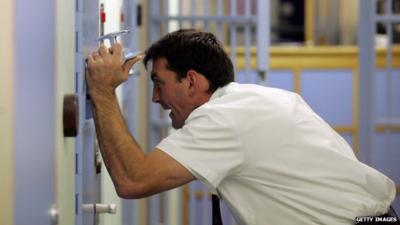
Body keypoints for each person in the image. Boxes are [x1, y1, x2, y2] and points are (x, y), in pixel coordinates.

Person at [86, 29, 397, 225]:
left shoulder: (224, 119)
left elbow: (133, 181)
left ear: (192, 81)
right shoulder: (254, 100)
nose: (155, 98)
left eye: (159, 84)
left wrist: (101, 91)